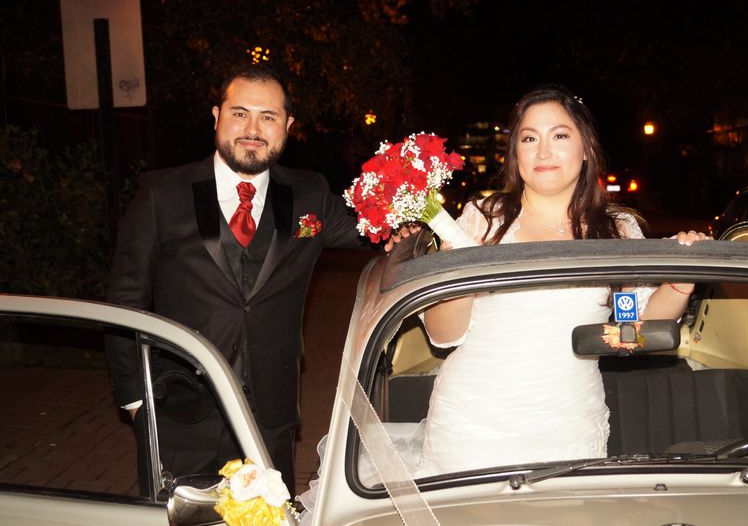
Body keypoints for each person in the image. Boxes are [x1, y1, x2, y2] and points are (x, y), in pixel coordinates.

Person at [104, 63, 376, 495]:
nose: (253, 128)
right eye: (239, 113)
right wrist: (136, 401)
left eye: (267, 117)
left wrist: (425, 212)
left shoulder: (309, 194)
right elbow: (124, 303)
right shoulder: (162, 193)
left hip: (270, 416)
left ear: (287, 126)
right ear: (216, 117)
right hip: (179, 413)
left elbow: (377, 233)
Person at [417, 84, 710, 476]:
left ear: (586, 149)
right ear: (516, 154)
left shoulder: (618, 230)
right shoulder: (482, 219)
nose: (543, 151)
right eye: (529, 138)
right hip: (472, 423)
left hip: (569, 425)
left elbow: (637, 328)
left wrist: (681, 280)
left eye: (559, 136)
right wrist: (456, 261)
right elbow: (443, 334)